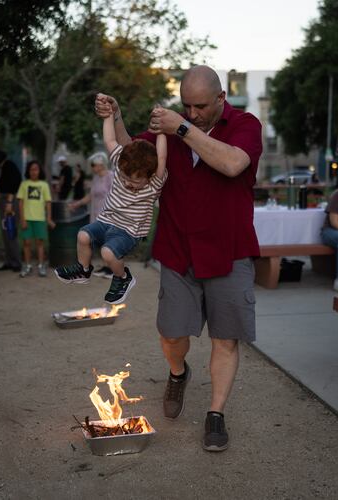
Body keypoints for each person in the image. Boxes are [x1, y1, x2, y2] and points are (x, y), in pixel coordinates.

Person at [95, 65, 263, 452]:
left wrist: (183, 129)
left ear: (221, 99)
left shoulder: (245, 124)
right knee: (171, 333)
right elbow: (132, 152)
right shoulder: (174, 126)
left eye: (201, 106)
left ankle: (215, 414)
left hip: (230, 249)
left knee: (226, 338)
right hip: (177, 248)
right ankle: (178, 372)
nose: (193, 113)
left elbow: (233, 164)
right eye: (186, 106)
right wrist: (116, 116)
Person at [55, 108, 167, 304]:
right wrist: (108, 115)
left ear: (148, 177)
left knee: (107, 253)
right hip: (105, 221)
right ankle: (83, 270)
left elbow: (162, 158)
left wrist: (162, 131)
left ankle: (123, 278)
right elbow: (109, 140)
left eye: (134, 181)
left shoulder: (154, 183)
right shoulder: (120, 162)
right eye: (123, 178)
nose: (127, 183)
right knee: (82, 235)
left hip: (128, 232)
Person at [69, 152, 114, 279]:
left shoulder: (111, 176)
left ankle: (112, 269)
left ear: (101, 165)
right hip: (95, 215)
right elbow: (90, 196)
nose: (92, 167)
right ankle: (106, 267)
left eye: (94, 165)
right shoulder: (96, 178)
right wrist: (77, 204)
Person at [16, 161, 55, 277]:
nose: (34, 172)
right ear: (28, 171)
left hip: (40, 219)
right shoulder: (24, 184)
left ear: (39, 171)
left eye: (36, 169)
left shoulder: (44, 185)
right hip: (27, 218)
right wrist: (22, 219)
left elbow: (48, 203)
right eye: (31, 169)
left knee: (39, 242)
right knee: (26, 242)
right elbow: (20, 203)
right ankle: (27, 265)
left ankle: (41, 266)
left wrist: (48, 218)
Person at [0, 149, 22, 271]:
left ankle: (16, 262)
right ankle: (9, 261)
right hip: (4, 200)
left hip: (9, 202)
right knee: (5, 232)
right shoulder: (4, 167)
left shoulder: (9, 166)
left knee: (11, 231)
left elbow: (15, 183)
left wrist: (9, 202)